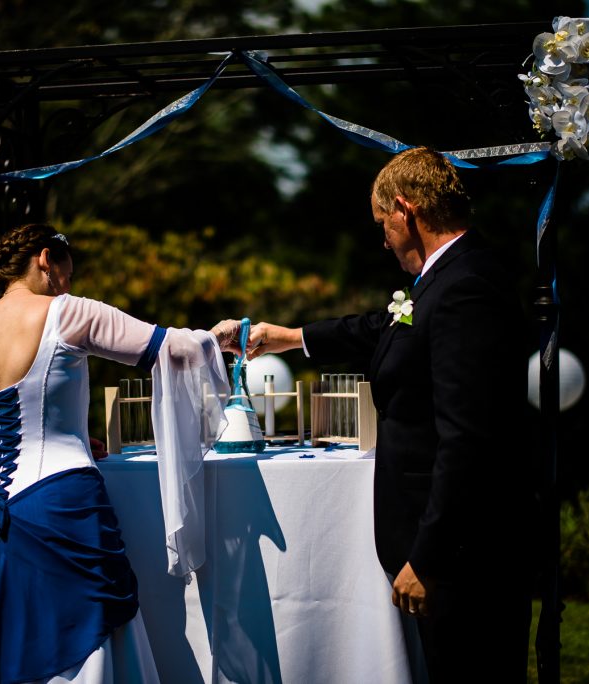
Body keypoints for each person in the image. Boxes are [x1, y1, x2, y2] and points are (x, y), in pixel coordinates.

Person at [221, 146, 535, 683]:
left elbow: (467, 439)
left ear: (403, 209)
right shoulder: (448, 275)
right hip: (448, 553)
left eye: (381, 224)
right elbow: (382, 330)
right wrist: (290, 337)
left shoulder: (466, 286)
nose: (382, 239)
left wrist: (429, 557)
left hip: (463, 560)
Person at [0, 223, 230, 684]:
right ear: (46, 260)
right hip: (63, 506)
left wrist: (68, 433)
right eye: (66, 273)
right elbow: (173, 350)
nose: (67, 285)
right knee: (86, 638)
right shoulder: (69, 312)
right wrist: (224, 337)